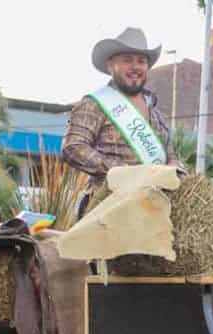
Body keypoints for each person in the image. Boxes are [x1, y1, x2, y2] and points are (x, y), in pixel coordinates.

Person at [62, 27, 183, 211]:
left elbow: (171, 156)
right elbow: (73, 148)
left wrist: (176, 168)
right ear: (110, 65)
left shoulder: (156, 112)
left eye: (141, 61)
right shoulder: (94, 104)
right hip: (105, 206)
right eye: (127, 60)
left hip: (149, 210)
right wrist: (124, 173)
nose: (135, 67)